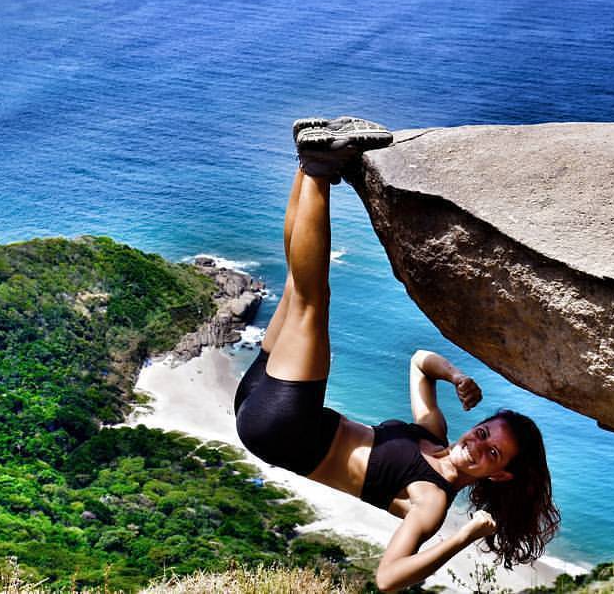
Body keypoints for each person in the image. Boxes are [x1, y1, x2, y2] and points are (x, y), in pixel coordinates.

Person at [234, 116, 560, 592]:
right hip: (265, 407)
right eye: (485, 431)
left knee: (312, 298)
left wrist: (467, 534)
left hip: (287, 429)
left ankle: (319, 162)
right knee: (296, 286)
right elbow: (419, 363)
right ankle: (307, 161)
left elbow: (388, 580)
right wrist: (454, 375)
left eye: (491, 451)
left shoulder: (431, 501)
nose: (476, 444)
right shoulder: (434, 433)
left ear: (501, 473)